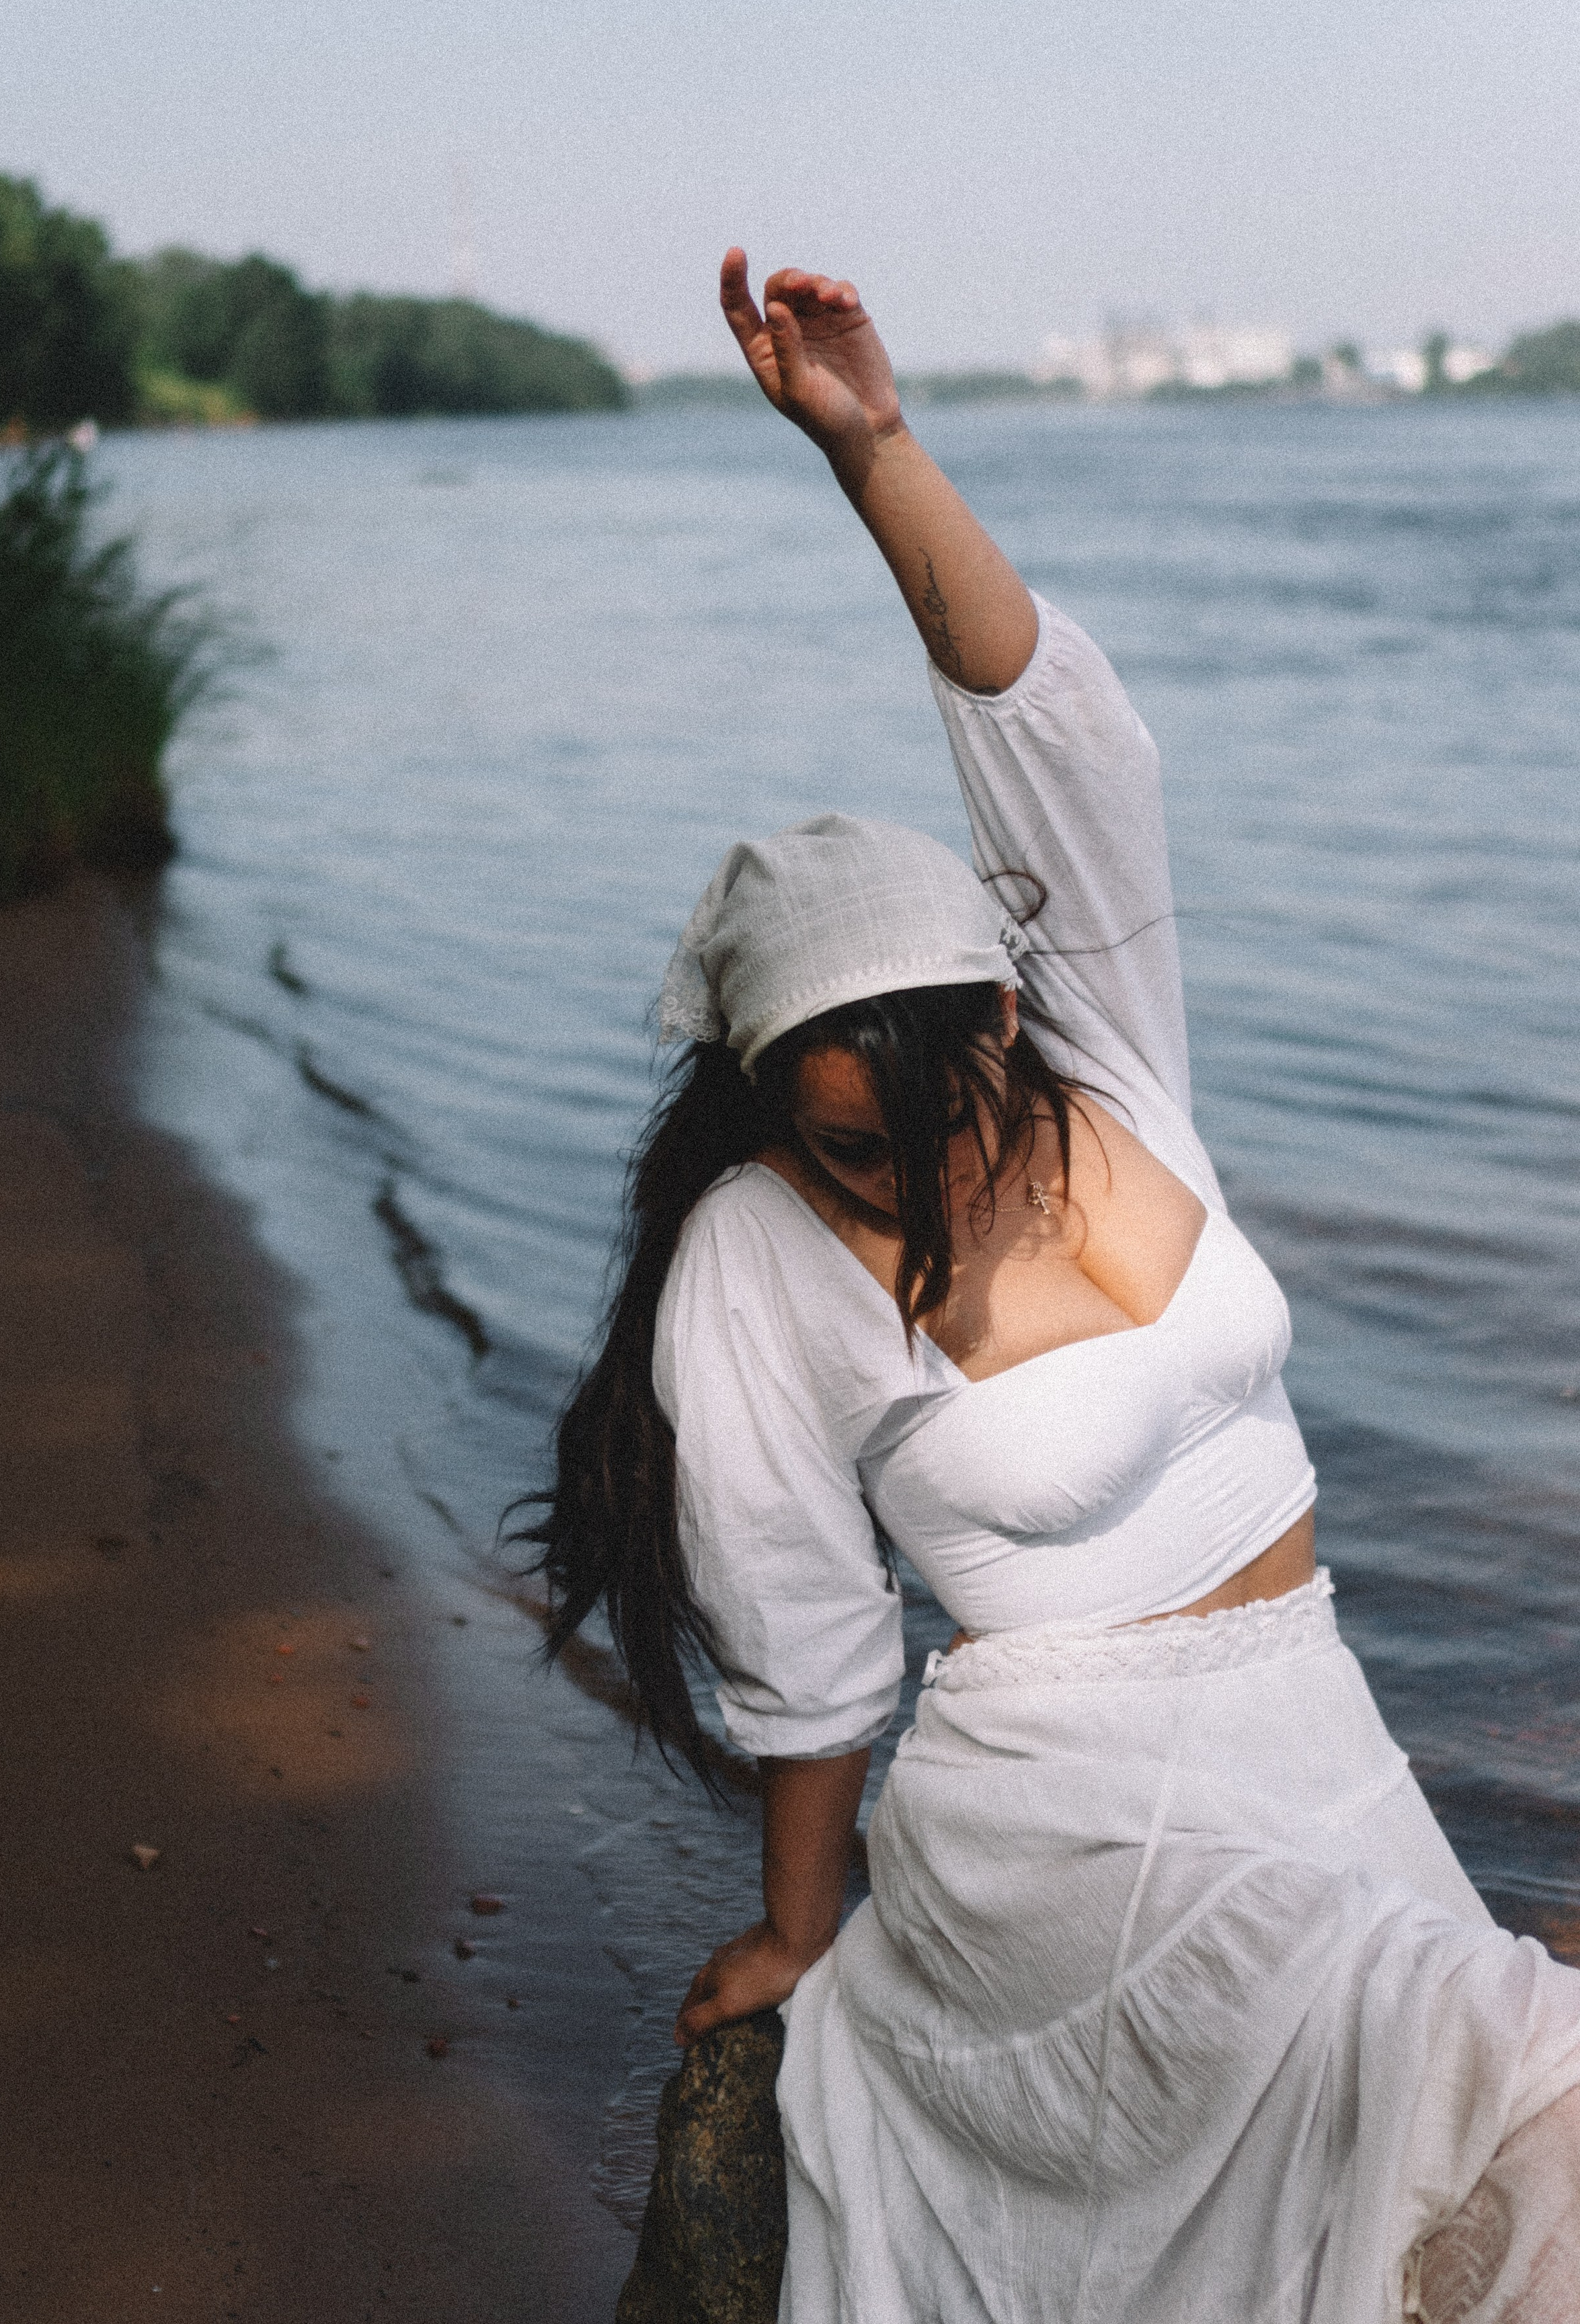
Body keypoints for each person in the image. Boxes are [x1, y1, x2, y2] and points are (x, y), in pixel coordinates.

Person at [530, 252, 1580, 2321]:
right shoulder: (753, 1257)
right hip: (1077, 1818)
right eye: (846, 1140)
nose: (907, 1172)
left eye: (940, 1114)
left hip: (1322, 1741)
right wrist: (797, 1934)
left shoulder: (1108, 1040)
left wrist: (873, 448)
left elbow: (1052, 728)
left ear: (1007, 1008)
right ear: (761, 1105)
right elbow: (811, 1639)